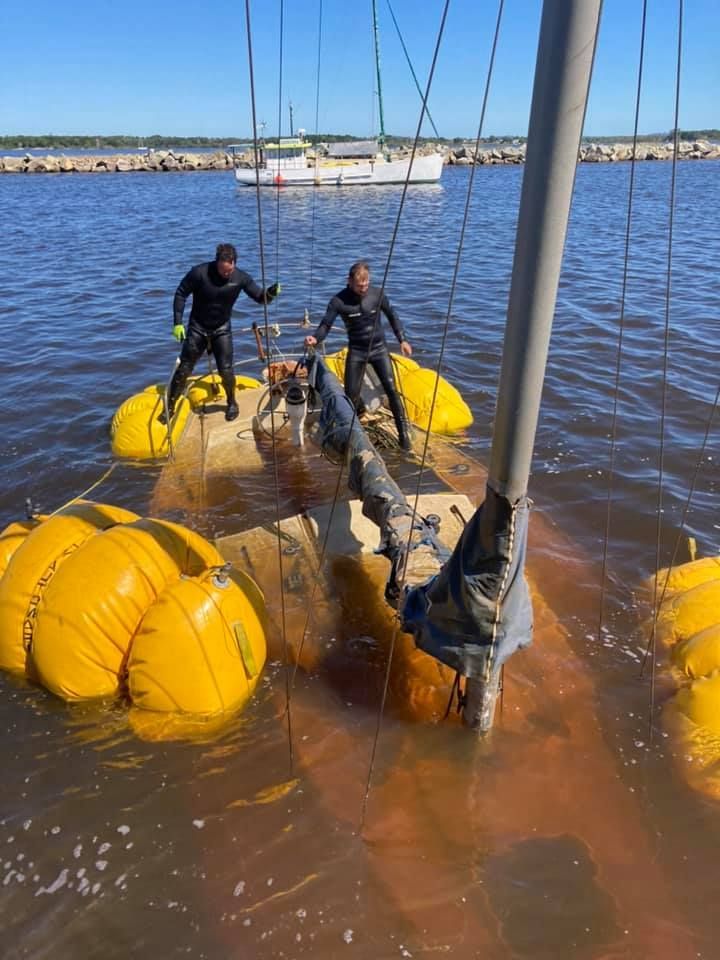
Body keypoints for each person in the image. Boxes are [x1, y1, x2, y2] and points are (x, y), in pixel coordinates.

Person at [165, 243, 279, 422]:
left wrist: (270, 294)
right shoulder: (199, 273)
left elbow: (260, 297)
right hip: (198, 327)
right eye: (221, 270)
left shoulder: (241, 278)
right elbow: (181, 293)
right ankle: (169, 407)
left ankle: (232, 402)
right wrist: (177, 323)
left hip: (222, 329)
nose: (225, 274)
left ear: (234, 264)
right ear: (216, 262)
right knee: (184, 368)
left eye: (228, 271)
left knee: (226, 370)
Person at [304, 260, 413, 449]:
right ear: (349, 281)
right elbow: (325, 325)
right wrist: (315, 338)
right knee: (350, 396)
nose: (363, 289)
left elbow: (393, 316)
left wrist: (402, 339)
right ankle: (353, 434)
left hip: (379, 349)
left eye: (366, 285)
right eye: (359, 286)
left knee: (391, 390)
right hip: (357, 352)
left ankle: (404, 436)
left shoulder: (377, 294)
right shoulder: (338, 301)